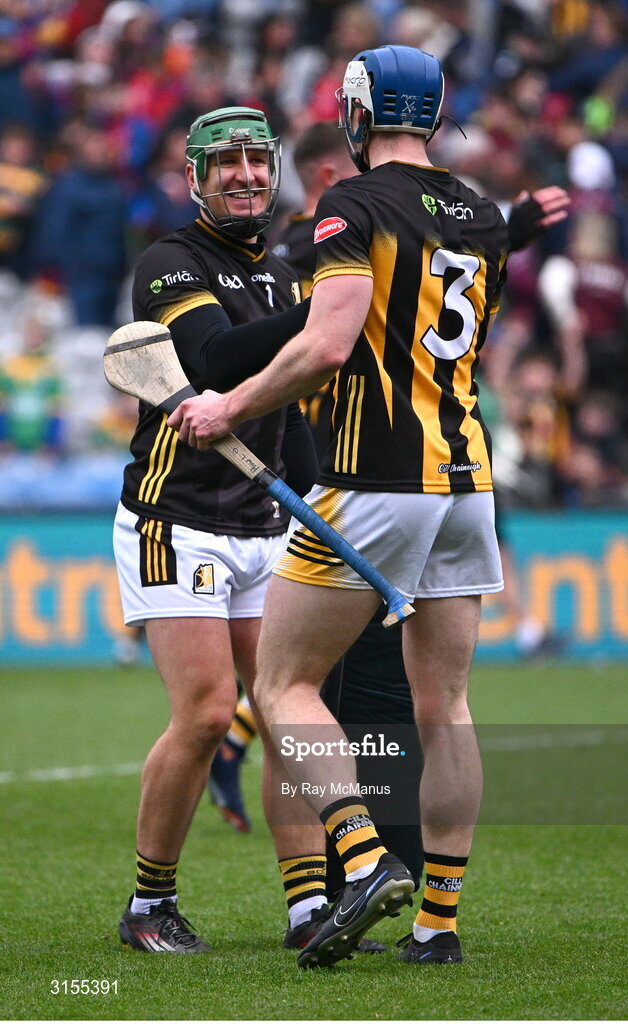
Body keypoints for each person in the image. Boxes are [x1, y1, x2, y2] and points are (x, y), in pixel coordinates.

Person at [168, 44, 541, 969]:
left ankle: (367, 859)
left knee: (284, 684)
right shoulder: (483, 212)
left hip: (375, 478)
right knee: (445, 705)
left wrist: (228, 403)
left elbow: (328, 345)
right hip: (467, 481)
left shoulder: (354, 204)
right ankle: (438, 926)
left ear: (359, 116)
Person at [114, 105, 332, 953]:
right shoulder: (171, 263)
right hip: (177, 519)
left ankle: (310, 906)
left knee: (283, 706)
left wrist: (320, 497)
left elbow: (286, 416)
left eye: (255, 158)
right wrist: (327, 322)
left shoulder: (281, 274)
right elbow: (214, 361)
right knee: (209, 714)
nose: (244, 174)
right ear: (196, 179)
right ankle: (148, 905)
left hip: (264, 523)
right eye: (225, 162)